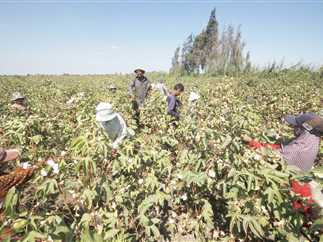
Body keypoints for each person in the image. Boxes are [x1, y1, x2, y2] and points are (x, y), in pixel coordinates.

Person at [246, 112, 322, 172]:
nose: (293, 128)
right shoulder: (312, 141)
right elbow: (281, 148)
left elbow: (272, 156)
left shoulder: (298, 149)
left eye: (296, 126)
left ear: (304, 129)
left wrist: (252, 142)